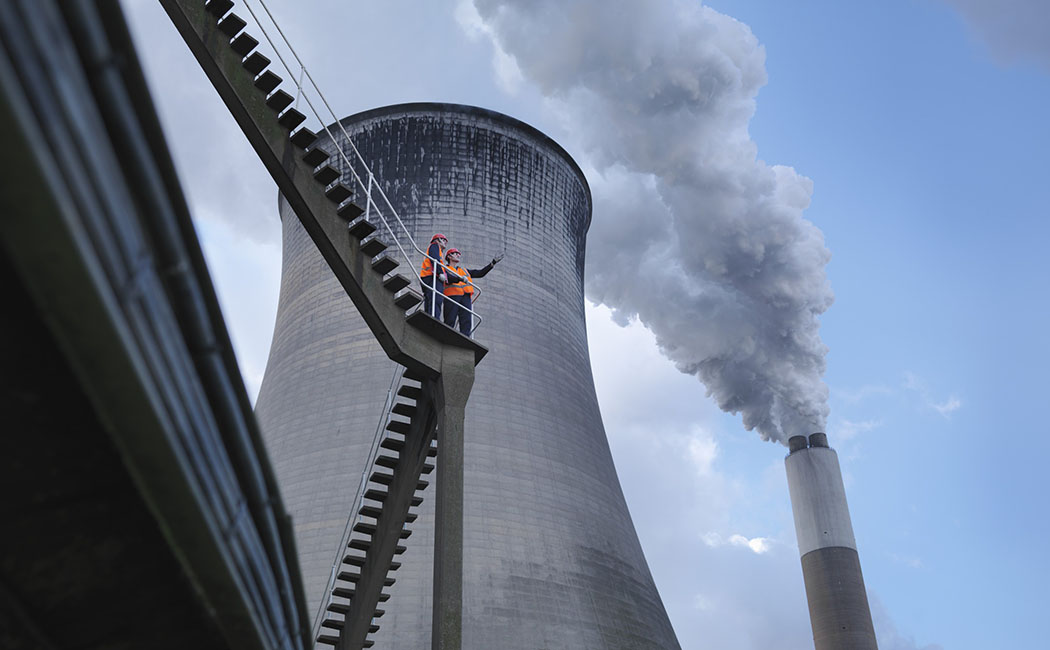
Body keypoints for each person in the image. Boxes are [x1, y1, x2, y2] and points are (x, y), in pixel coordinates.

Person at [442, 248, 503, 335]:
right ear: (449, 256)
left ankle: (465, 338)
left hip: (465, 297)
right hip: (452, 296)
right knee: (450, 319)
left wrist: (492, 263)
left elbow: (480, 273)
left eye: (458, 254)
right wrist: (460, 278)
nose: (458, 255)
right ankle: (446, 336)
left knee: (466, 320)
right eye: (455, 253)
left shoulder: (464, 270)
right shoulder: (445, 269)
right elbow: (449, 279)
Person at [420, 233, 448, 317]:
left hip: (427, 277)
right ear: (438, 240)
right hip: (432, 277)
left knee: (430, 299)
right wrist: (439, 273)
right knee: (436, 299)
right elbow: (434, 259)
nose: (445, 243)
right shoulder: (435, 246)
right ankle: (434, 319)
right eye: (444, 240)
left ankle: (428, 318)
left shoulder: (437, 250)